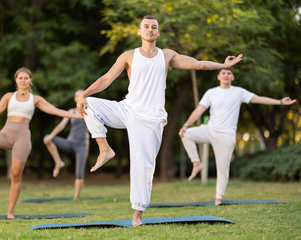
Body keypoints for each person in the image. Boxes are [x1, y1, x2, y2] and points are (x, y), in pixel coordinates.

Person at [76, 15, 243, 226]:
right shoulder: (128, 56)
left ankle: (137, 213)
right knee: (88, 103)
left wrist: (222, 65)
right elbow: (107, 79)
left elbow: (197, 64)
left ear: (158, 32)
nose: (150, 30)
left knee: (143, 167)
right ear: (139, 31)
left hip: (150, 119)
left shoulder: (166, 55)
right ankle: (104, 148)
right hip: (127, 109)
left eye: (154, 27)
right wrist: (84, 93)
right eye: (146, 27)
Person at [0, 67, 82, 219]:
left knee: (16, 175)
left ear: (30, 80)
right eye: (20, 78)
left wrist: (78, 116)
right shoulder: (8, 97)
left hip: (22, 138)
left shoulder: (35, 99)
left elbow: (55, 110)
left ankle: (10, 212)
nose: (23, 80)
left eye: (26, 78)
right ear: (16, 80)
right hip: (5, 135)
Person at [179, 68, 296, 206]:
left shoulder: (239, 92)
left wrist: (280, 102)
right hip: (210, 130)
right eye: (223, 73)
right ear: (218, 77)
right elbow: (199, 110)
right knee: (185, 134)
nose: (226, 75)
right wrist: (186, 125)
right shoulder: (211, 93)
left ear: (232, 77)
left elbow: (259, 99)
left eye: (229, 73)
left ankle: (218, 198)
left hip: (226, 136)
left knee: (222, 168)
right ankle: (197, 163)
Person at [43, 89, 90, 200]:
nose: (78, 97)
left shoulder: (90, 111)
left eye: (81, 95)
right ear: (75, 99)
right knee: (46, 138)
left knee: (79, 172)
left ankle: (76, 197)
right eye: (76, 95)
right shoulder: (71, 111)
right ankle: (58, 162)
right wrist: (51, 136)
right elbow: (61, 126)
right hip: (70, 142)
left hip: (82, 145)